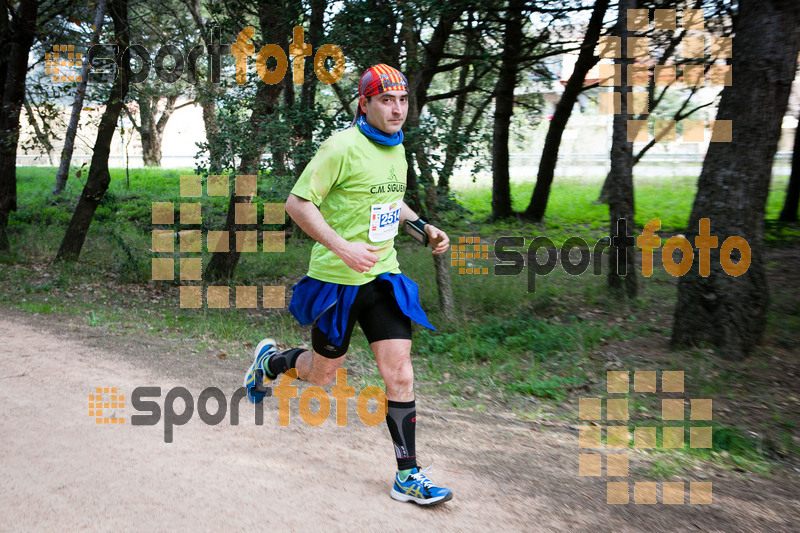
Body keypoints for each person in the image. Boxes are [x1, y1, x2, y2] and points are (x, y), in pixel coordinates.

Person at [244, 64, 453, 506]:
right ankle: (271, 362)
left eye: (402, 101)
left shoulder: (396, 148)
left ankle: (407, 474)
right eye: (386, 100)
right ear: (365, 103)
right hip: (337, 282)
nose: (397, 110)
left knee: (400, 375)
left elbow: (388, 203)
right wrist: (342, 248)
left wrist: (425, 228)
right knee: (322, 377)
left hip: (384, 277)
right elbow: (297, 204)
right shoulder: (340, 147)